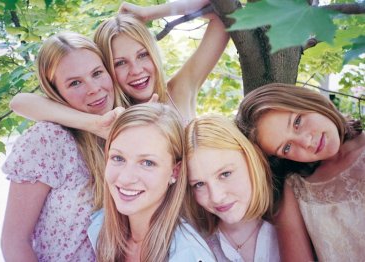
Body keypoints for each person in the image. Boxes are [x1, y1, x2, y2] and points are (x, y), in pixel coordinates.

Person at [10, 0, 229, 136]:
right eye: (120, 63)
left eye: (142, 55)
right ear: (105, 69)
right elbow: (20, 102)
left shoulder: (179, 90)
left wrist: (149, 13)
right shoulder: (108, 115)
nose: (136, 70)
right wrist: (94, 123)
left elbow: (227, 13)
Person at [1, 32, 115, 261]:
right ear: (56, 92)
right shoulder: (49, 140)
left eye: (97, 73)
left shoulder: (126, 132)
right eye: (75, 83)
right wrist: (93, 124)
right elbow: (14, 242)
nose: (93, 88)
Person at [236, 83, 364, 261]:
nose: (306, 141)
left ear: (308, 101)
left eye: (297, 122)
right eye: (287, 147)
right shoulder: (295, 190)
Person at [88, 103, 216, 262]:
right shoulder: (99, 226)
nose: (126, 178)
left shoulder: (188, 254)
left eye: (147, 163)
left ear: (174, 171)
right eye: (118, 158)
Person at [184, 114, 280, 262]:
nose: (216, 197)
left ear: (250, 159)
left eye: (225, 174)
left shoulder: (291, 228)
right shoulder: (193, 246)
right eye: (199, 184)